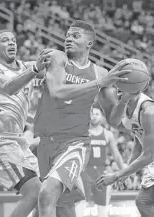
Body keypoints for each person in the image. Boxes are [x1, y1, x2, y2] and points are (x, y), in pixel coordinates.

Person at [34, 20, 131, 217]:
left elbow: (113, 121)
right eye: (67, 35)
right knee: (61, 208)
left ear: (89, 43)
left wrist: (124, 101)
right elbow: (57, 92)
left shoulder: (99, 72)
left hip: (75, 145)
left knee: (46, 194)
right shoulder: (58, 58)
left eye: (75, 36)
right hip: (46, 145)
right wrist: (99, 83)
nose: (68, 38)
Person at [0, 29, 50, 217]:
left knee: (47, 191)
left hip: (17, 142)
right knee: (34, 193)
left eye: (13, 40)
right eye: (5, 40)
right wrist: (34, 70)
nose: (11, 43)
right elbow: (7, 88)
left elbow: (60, 71)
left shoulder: (26, 66)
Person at [96, 92, 154, 217]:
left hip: (152, 156)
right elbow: (139, 141)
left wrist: (117, 175)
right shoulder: (124, 105)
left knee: (143, 201)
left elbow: (149, 155)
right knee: (143, 202)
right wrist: (128, 170)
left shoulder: (148, 111)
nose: (118, 90)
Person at [81, 107, 126, 217]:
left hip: (101, 174)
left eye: (97, 114)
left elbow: (116, 155)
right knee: (80, 208)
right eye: (92, 113)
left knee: (103, 210)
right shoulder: (82, 133)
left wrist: (125, 172)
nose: (94, 116)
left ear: (102, 117)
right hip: (84, 173)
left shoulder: (107, 134)